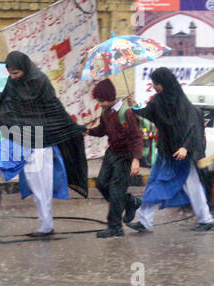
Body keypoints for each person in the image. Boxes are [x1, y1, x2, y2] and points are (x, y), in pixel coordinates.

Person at [0, 51, 88, 237]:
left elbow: (54, 108)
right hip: (15, 135)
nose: (14, 77)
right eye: (11, 74)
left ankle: (46, 226)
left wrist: (73, 127)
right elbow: (5, 104)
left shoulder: (40, 82)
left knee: (39, 186)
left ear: (24, 68)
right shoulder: (12, 82)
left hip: (39, 139)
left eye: (16, 73)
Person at [127, 67, 214, 232]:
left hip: (180, 154)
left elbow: (193, 127)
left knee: (165, 185)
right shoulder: (158, 101)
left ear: (165, 83)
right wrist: (136, 107)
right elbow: (149, 114)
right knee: (158, 182)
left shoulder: (181, 103)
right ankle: (205, 219)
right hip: (167, 152)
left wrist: (185, 147)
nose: (154, 86)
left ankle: (145, 220)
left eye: (156, 83)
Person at [85, 78, 143, 238]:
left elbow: (137, 137)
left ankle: (115, 227)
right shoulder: (106, 112)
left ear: (110, 97)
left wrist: (136, 159)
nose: (100, 104)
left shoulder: (127, 113)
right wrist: (88, 131)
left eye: (101, 101)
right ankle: (130, 202)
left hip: (126, 155)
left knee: (116, 191)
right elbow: (102, 130)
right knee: (102, 184)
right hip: (112, 153)